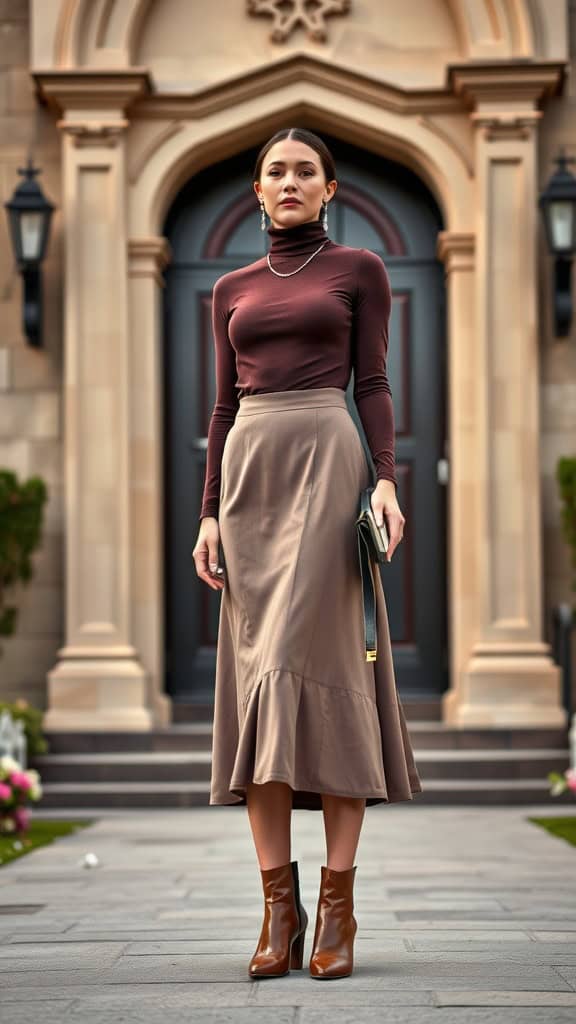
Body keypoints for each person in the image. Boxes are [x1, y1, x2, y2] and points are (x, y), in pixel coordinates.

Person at [192, 127, 423, 981]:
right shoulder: (228, 287)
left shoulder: (359, 270)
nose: (289, 182)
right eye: (275, 172)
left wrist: (388, 484)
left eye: (305, 172)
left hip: (332, 464)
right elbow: (221, 409)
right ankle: (276, 914)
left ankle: (337, 911)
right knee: (260, 681)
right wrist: (209, 514)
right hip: (251, 474)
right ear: (257, 192)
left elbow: (373, 382)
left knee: (322, 670)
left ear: (331, 189)